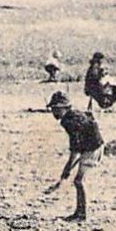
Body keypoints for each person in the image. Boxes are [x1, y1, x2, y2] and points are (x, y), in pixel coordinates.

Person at [46, 91, 103, 223]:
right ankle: (79, 213)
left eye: (55, 109)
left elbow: (75, 150)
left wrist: (66, 170)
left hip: (92, 149)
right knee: (78, 181)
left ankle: (81, 215)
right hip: (91, 146)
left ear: (64, 108)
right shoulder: (74, 115)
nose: (53, 112)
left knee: (79, 181)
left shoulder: (69, 122)